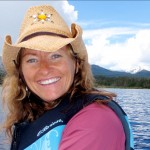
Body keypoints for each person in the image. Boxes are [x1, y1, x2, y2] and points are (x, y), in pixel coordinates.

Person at [1, 4, 134, 150]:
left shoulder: (95, 121)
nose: (44, 69)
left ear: (76, 64)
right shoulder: (35, 115)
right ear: (21, 72)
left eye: (55, 56)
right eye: (32, 60)